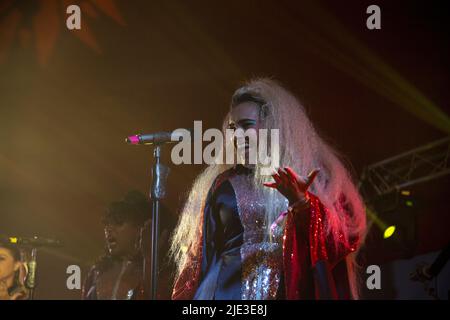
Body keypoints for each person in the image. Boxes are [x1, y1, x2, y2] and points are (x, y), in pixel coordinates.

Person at [170, 78, 367, 300]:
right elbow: (197, 261)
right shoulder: (222, 186)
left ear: (273, 125)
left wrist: (302, 204)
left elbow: (340, 243)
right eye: (233, 128)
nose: (236, 136)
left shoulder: (314, 180)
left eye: (246, 125)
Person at [82, 190, 175, 300]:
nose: (108, 229)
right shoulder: (96, 272)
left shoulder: (160, 271)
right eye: (107, 223)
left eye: (119, 223)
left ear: (140, 228)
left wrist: (149, 259)